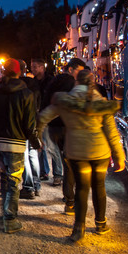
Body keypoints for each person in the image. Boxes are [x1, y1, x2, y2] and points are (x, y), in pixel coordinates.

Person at [36, 70, 125, 242]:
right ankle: (101, 224)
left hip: (76, 151)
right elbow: (112, 132)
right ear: (92, 82)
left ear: (76, 82)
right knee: (99, 187)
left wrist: (38, 137)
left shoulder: (65, 101)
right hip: (100, 151)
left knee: (82, 189)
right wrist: (119, 155)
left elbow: (43, 117)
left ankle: (79, 228)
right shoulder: (101, 102)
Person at [0, 59, 39, 234]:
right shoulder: (26, 93)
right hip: (16, 142)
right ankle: (10, 218)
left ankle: (6, 212)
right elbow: (30, 124)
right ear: (21, 72)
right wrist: (36, 142)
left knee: (4, 179)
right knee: (14, 181)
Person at [43, 57, 86, 214]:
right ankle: (70, 200)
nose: (80, 75)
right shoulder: (72, 84)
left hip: (53, 126)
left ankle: (68, 197)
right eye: (79, 71)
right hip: (66, 126)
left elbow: (45, 103)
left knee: (64, 159)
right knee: (71, 165)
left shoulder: (53, 82)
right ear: (71, 69)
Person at [31, 58, 57, 182]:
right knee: (39, 145)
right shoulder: (33, 82)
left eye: (35, 66)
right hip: (37, 117)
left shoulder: (51, 81)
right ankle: (43, 171)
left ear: (42, 67)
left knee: (52, 147)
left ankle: (58, 174)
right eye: (32, 66)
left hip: (48, 117)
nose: (33, 69)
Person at [19, 60, 42, 199]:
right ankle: (37, 184)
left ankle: (28, 187)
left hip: (24, 123)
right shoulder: (34, 84)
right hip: (35, 120)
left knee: (25, 155)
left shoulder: (20, 85)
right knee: (33, 155)